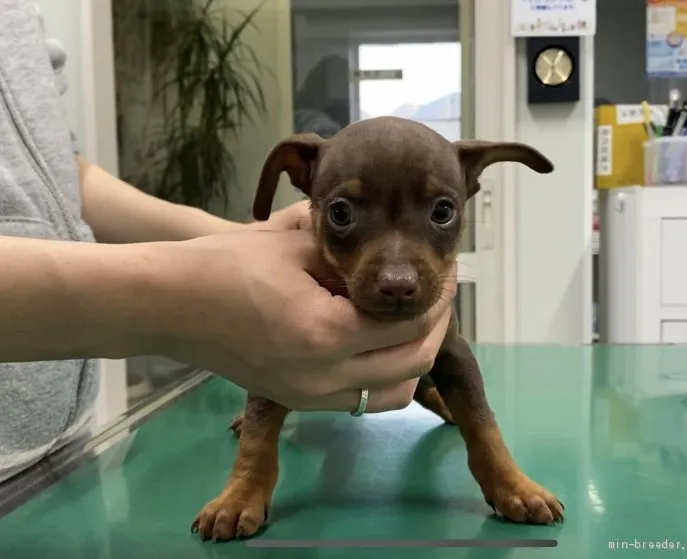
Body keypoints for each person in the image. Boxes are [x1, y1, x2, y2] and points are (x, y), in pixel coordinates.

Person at [0, 1, 455, 484]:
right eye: (342, 212)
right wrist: (177, 295)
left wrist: (236, 240)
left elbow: (60, 178)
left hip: (67, 443)